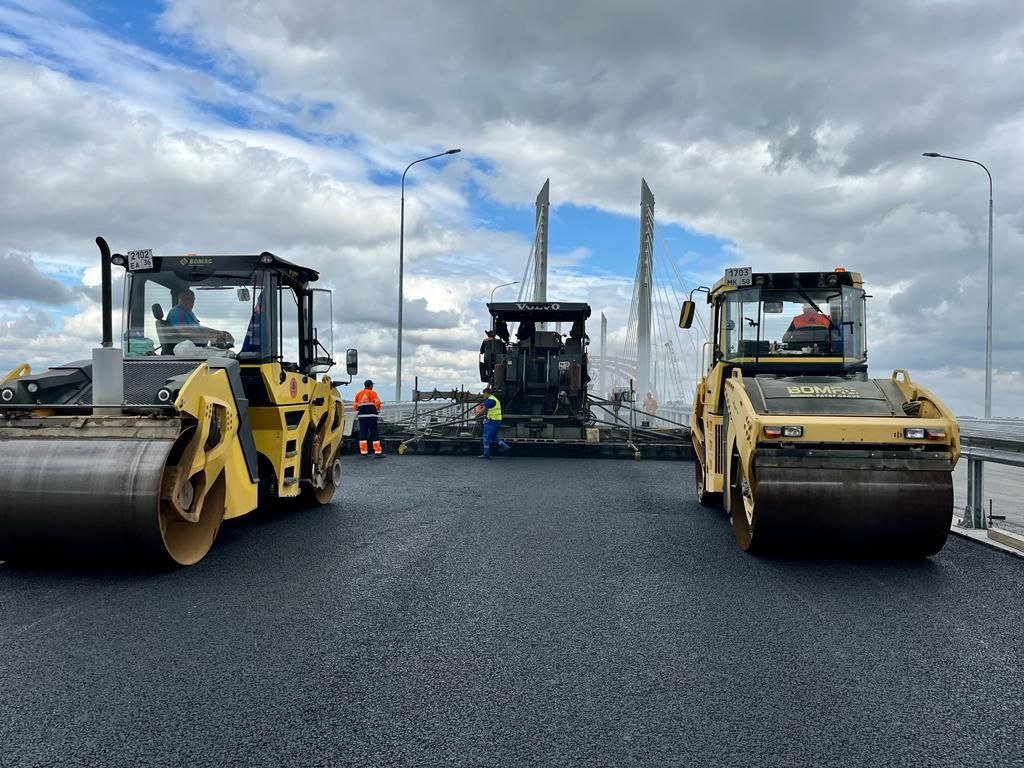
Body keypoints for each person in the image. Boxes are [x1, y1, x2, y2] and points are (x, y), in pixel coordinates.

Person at [166, 288, 233, 347]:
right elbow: (185, 331)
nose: (189, 302)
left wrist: (217, 332)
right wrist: (210, 335)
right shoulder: (176, 313)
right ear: (179, 299)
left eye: (192, 300)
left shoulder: (189, 313)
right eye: (186, 299)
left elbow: (201, 329)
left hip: (196, 348)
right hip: (185, 351)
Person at [474, 385, 511, 459]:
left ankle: (486, 454)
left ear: (486, 393)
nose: (483, 395)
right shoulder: (494, 399)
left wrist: (476, 416)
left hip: (492, 421)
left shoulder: (490, 400)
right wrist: (479, 408)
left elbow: (483, 410)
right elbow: (483, 405)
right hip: (497, 420)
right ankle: (505, 447)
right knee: (494, 436)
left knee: (486, 437)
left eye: (483, 394)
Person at [353, 379, 384, 457]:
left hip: (362, 417)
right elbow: (378, 403)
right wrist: (377, 410)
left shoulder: (358, 394)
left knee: (363, 433)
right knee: (374, 433)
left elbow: (355, 407)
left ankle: (364, 452)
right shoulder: (373, 393)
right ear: (371, 386)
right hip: (372, 416)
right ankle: (377, 452)